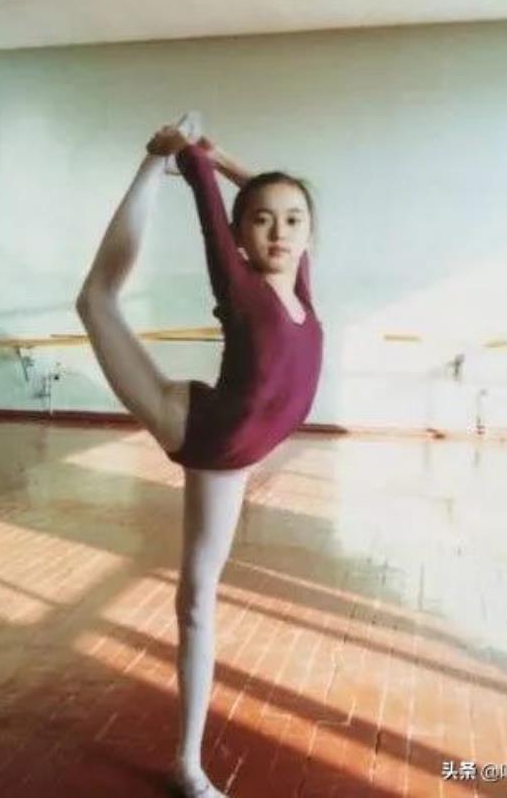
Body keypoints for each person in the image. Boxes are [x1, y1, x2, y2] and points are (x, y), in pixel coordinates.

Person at [75, 115, 323, 797]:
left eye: (294, 221)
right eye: (262, 222)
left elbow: (266, 201)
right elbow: (216, 210)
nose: (279, 232)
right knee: (95, 300)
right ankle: (188, 764)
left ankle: (185, 760)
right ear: (241, 235)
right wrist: (180, 155)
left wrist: (223, 154)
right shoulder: (241, 285)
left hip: (238, 448)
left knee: (198, 594)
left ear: (309, 233)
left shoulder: (300, 286)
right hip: (204, 434)